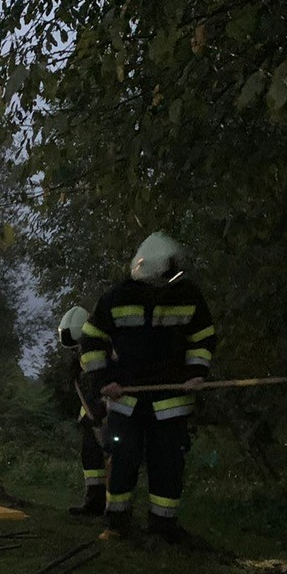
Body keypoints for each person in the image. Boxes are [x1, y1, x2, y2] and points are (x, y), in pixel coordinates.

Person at [78, 231, 216, 543]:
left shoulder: (189, 296)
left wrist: (198, 372)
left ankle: (163, 527)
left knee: (168, 462)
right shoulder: (116, 298)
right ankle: (117, 522)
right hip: (126, 399)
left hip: (171, 400)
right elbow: (91, 340)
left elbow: (203, 339)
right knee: (122, 458)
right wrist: (103, 383)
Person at [59, 305, 109, 516]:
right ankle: (94, 500)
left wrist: (102, 406)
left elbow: (106, 377)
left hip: (108, 407)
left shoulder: (107, 346)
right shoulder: (82, 350)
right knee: (90, 454)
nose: (76, 349)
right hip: (91, 410)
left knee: (112, 456)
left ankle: (114, 506)